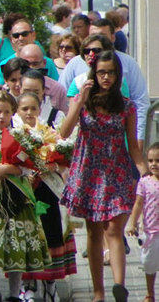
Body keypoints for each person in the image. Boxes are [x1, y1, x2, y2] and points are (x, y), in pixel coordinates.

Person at [60, 50, 147, 302]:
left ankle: (119, 286)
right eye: (101, 72)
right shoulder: (83, 100)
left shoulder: (126, 106)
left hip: (116, 171)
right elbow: (64, 133)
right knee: (93, 232)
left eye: (110, 72)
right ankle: (98, 291)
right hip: (87, 172)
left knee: (114, 229)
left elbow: (133, 146)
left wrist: (144, 172)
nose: (106, 77)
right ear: (93, 74)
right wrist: (79, 101)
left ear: (118, 75)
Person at [0, 91, 51, 302]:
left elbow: (27, 168)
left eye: (6, 112)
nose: (1, 116)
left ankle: (14, 294)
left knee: (15, 247)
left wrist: (10, 169)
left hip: (15, 197)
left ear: (13, 112)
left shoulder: (21, 135)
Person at [15, 92, 76, 301]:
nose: (29, 113)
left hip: (47, 192)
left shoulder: (49, 133)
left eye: (33, 108)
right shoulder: (13, 134)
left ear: (40, 109)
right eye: (24, 109)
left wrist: (51, 164)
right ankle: (27, 284)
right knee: (25, 236)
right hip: (22, 193)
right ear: (18, 111)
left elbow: (62, 160)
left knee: (49, 234)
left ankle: (50, 284)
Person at [60, 24, 149, 148]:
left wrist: (138, 139)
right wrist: (80, 101)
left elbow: (134, 106)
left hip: (116, 148)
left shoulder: (119, 82)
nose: (91, 55)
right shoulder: (78, 82)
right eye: (86, 51)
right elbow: (66, 127)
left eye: (96, 51)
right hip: (85, 149)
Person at [127, 142, 159, 302]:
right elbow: (138, 203)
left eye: (158, 161)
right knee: (149, 264)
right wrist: (132, 223)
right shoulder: (145, 182)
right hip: (150, 232)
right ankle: (150, 293)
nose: (154, 164)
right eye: (151, 160)